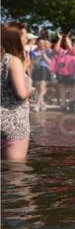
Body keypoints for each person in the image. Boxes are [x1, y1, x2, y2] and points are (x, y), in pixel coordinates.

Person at [1, 22, 32, 162]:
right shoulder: (13, 61)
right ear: (15, 38)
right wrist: (31, 90)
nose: (27, 40)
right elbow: (21, 94)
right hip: (14, 125)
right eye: (24, 36)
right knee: (15, 173)